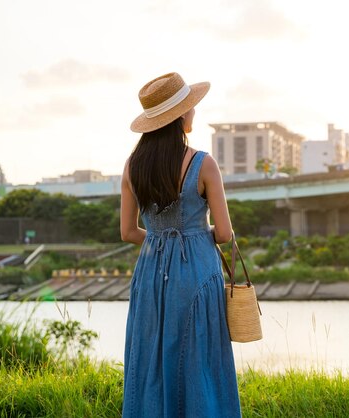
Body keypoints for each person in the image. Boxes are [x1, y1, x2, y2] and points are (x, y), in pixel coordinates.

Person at [120, 72, 241, 417]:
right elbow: (223, 234)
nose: (193, 113)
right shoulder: (203, 164)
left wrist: (161, 240)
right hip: (197, 273)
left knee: (150, 356)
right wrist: (189, 238)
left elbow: (128, 232)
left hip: (149, 275)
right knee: (200, 357)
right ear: (181, 117)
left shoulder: (131, 167)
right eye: (190, 108)